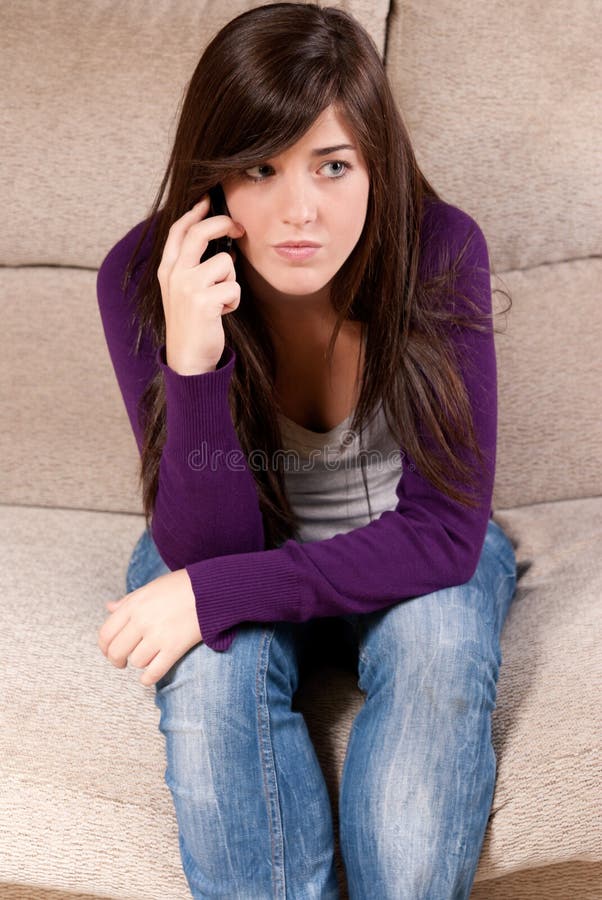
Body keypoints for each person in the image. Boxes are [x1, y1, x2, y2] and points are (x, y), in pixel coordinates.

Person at [95, 3, 518, 898]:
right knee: (210, 682)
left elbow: (445, 536)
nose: (300, 212)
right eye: (260, 167)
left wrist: (215, 595)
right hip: (228, 544)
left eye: (332, 167)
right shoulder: (143, 276)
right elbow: (209, 553)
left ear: (374, 167)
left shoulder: (441, 252)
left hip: (412, 546)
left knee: (442, 649)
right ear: (212, 178)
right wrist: (194, 359)